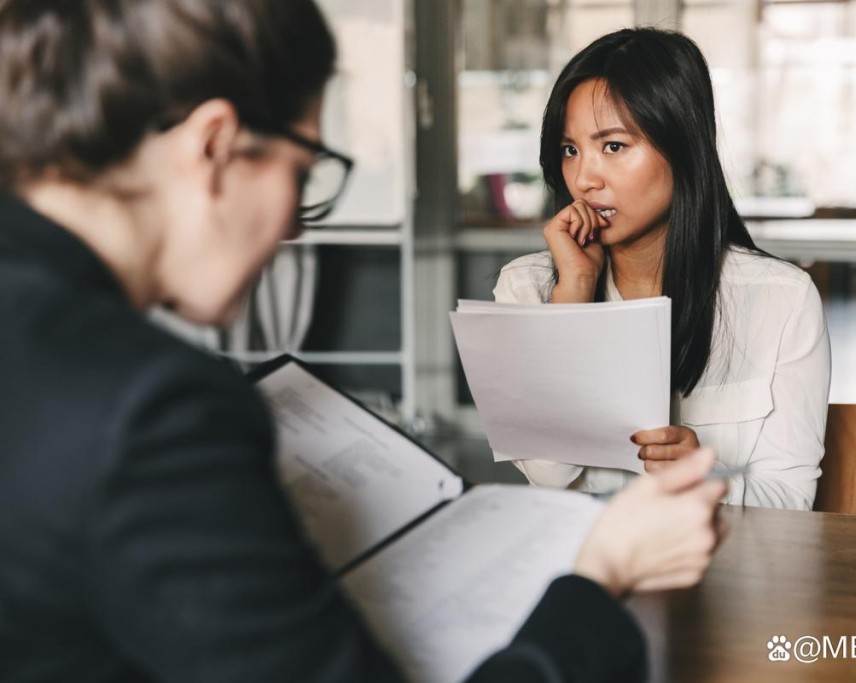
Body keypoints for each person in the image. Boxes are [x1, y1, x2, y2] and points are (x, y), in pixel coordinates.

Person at [0, 2, 727, 681]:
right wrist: (598, 579)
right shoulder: (155, 410)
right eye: (303, 171)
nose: (295, 225)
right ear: (215, 146)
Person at [494, 27, 831, 510]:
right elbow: (550, 475)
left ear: (683, 146)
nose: (584, 180)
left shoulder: (781, 298)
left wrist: (707, 478)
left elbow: (790, 499)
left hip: (724, 574)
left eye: (612, 146)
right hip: (588, 571)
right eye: (571, 150)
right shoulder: (525, 287)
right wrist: (575, 293)